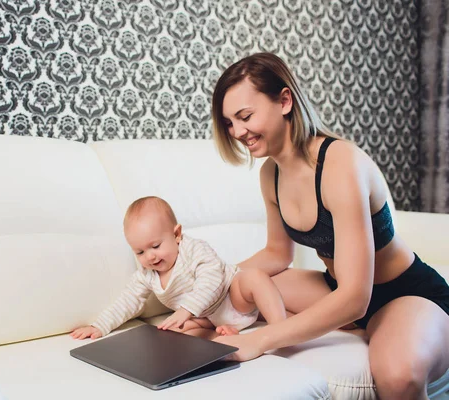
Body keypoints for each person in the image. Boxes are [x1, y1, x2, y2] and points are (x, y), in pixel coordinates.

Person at [210, 52, 449, 399]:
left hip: (402, 292)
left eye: (245, 116)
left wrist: (261, 338)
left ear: (285, 100)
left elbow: (355, 297)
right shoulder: (270, 174)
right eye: (230, 122)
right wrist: (206, 288)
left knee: (398, 376)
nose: (238, 132)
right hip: (335, 285)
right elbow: (277, 254)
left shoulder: (340, 163)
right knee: (241, 286)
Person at [70, 196, 286, 340]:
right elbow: (128, 301)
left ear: (176, 234)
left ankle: (280, 330)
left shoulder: (194, 250)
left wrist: (186, 310)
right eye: (140, 252)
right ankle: (221, 335)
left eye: (155, 246)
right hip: (206, 319)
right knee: (170, 333)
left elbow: (212, 279)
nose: (150, 256)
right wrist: (99, 326)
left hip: (231, 298)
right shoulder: (147, 276)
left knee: (254, 277)